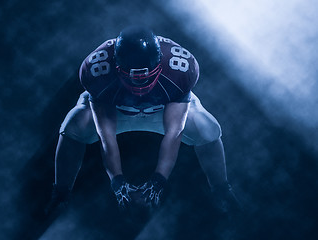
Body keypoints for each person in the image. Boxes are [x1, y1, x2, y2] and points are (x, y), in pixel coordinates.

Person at [46, 26, 240, 215]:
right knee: (74, 126)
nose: (139, 84)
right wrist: (117, 181)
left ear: (160, 63)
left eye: (144, 76)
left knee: (208, 129)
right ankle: (60, 194)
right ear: (116, 65)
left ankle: (221, 189)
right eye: (133, 77)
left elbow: (174, 132)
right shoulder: (98, 71)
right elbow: (106, 136)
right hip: (116, 109)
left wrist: (159, 179)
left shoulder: (178, 71)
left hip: (164, 108)